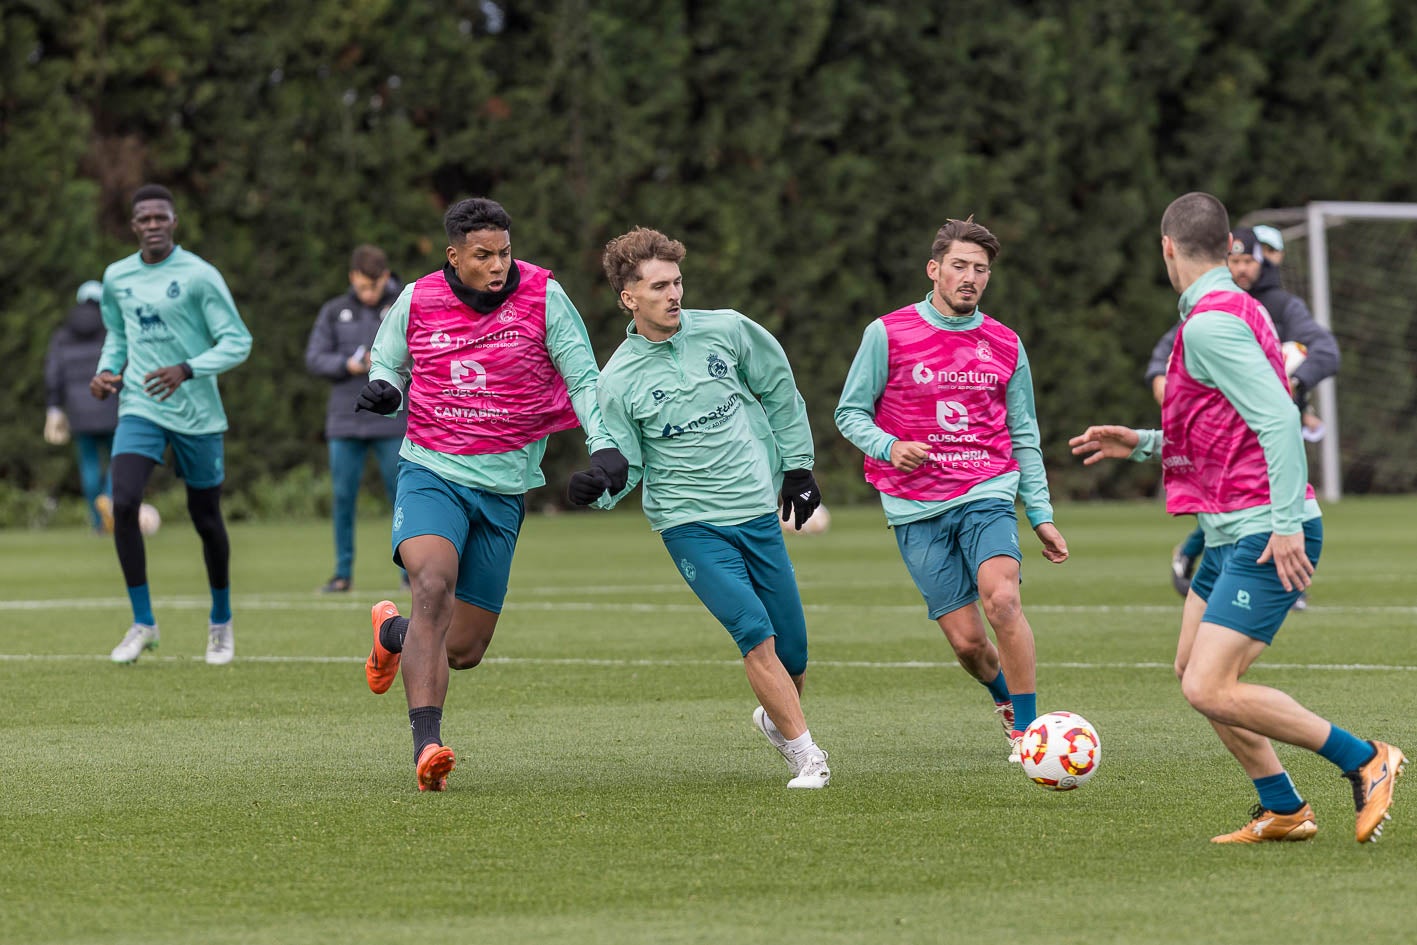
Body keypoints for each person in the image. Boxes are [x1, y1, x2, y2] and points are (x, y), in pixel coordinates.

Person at [1070, 191, 1404, 844]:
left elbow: (1278, 417)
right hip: (1231, 527)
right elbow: (1223, 427)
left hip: (1263, 527)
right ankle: (1282, 806)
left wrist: (1283, 522)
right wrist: (1141, 442)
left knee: (1209, 684)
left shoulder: (1208, 323)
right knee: (1192, 671)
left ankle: (1364, 758)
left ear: (1166, 247)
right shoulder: (1236, 307)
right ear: (1230, 248)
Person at [356, 197, 625, 792]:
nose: (498, 264)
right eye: (483, 256)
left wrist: (605, 449)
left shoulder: (545, 297)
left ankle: (392, 634)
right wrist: (383, 388)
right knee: (431, 586)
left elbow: (583, 378)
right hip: (431, 469)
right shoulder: (420, 298)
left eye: (504, 252)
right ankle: (428, 746)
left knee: (465, 648)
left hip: (504, 486)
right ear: (454, 257)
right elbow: (390, 361)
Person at [567, 226, 831, 790]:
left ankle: (777, 717)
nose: (673, 295)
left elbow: (780, 390)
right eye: (658, 286)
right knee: (754, 631)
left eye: (677, 282)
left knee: (796, 651)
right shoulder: (616, 380)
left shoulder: (729, 330)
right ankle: (807, 754)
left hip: (756, 512)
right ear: (628, 297)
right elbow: (625, 466)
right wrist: (600, 488)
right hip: (689, 524)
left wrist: (799, 467)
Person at [834, 216, 1068, 763]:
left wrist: (1041, 513)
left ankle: (1030, 735)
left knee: (1004, 600)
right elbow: (849, 413)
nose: (970, 277)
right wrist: (890, 446)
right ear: (934, 269)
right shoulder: (887, 333)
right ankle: (1004, 701)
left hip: (987, 490)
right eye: (959, 266)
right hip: (914, 505)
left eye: (980, 269)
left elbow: (1025, 433)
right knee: (967, 643)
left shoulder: (1005, 343)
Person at [92, 184, 253, 665]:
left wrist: (188, 368)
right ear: (134, 225)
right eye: (144, 218)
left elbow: (237, 341)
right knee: (123, 503)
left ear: (174, 222)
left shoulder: (200, 276)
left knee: (206, 519)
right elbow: (118, 336)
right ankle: (143, 623)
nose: (153, 225)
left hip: (198, 415)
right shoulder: (117, 277)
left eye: (161, 217)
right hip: (140, 407)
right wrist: (106, 372)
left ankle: (221, 622)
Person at [1147, 225, 1340, 604]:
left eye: (1248, 260)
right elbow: (1165, 354)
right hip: (1226, 434)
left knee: (1268, 501)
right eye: (1233, 260)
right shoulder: (1210, 309)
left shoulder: (1280, 307)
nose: (1241, 268)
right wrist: (1163, 383)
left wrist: (1295, 384)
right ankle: (1212, 562)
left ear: (1263, 261)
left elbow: (1325, 352)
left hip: (1270, 428)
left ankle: (1273, 575)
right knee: (1232, 501)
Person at [305, 244, 407, 593]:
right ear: (352, 278)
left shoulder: (403, 306)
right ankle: (342, 574)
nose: (368, 293)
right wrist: (345, 365)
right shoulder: (334, 311)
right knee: (343, 498)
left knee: (406, 496)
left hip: (392, 420)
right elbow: (315, 358)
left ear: (386, 278)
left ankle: (411, 573)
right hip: (345, 421)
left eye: (374, 286)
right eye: (363, 286)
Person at [45, 280, 119, 532]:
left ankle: (98, 522)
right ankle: (109, 500)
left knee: (89, 464)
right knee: (117, 460)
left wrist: (54, 408)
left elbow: (54, 374)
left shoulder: (63, 335)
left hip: (78, 410)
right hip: (110, 406)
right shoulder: (113, 329)